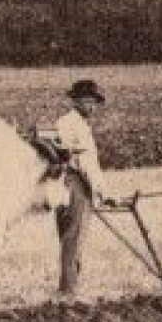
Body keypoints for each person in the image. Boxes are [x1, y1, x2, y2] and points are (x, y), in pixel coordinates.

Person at [51, 78, 117, 299]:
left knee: (70, 238)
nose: (92, 106)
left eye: (94, 102)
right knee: (73, 239)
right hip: (75, 185)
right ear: (76, 101)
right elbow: (85, 164)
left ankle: (69, 288)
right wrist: (103, 193)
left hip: (69, 184)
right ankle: (68, 292)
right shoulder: (73, 124)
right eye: (87, 101)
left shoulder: (71, 123)